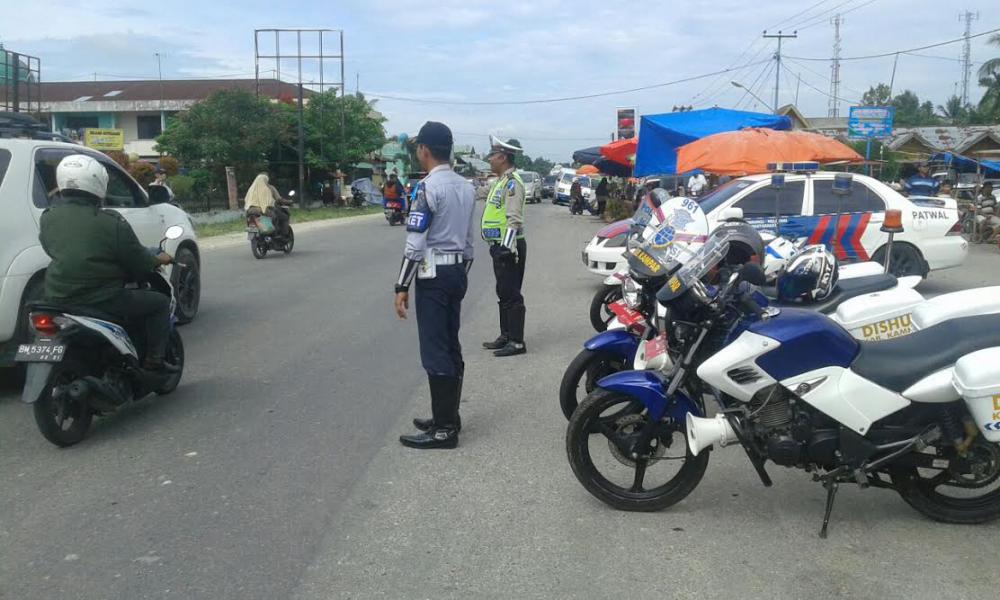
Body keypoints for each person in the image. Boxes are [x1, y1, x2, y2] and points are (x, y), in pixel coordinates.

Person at [38, 154, 175, 372]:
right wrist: (158, 259)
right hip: (101, 298)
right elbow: (138, 261)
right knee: (158, 303)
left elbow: (50, 248)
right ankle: (154, 361)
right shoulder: (111, 222)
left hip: (56, 297)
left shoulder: (48, 218)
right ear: (98, 184)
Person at [394, 121, 476, 450]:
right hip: (457, 272)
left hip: (434, 277)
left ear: (425, 150)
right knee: (450, 344)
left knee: (435, 349)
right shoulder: (467, 186)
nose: (417, 152)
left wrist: (401, 286)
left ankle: (443, 429)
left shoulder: (427, 188)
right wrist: (460, 271)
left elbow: (415, 244)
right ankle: (448, 415)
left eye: (418, 148)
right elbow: (468, 241)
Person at [482, 137, 528, 357]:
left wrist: (506, 248)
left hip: (510, 247)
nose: (489, 159)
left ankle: (517, 342)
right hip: (498, 246)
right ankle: (506, 335)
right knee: (502, 291)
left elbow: (514, 219)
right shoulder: (499, 182)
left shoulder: (512, 183)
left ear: (502, 157)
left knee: (512, 294)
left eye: (492, 155)